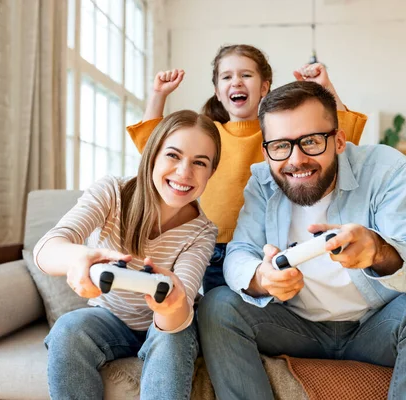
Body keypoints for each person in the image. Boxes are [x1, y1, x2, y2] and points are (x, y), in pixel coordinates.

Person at [197, 81, 406, 400]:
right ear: (267, 147)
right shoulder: (263, 181)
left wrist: (377, 251)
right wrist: (261, 277)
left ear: (338, 140)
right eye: (280, 145)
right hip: (294, 327)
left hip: (376, 325)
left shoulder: (385, 169)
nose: (296, 160)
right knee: (217, 305)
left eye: (310, 141)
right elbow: (240, 253)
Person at [128, 44, 367, 293]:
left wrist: (325, 89)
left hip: (264, 246)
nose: (237, 82)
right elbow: (152, 147)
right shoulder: (209, 134)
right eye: (227, 77)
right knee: (216, 309)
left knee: (263, 308)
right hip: (212, 247)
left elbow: (343, 138)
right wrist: (158, 95)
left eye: (246, 75)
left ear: (264, 87)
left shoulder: (277, 135)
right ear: (217, 92)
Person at [34, 110, 221, 400]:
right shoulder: (112, 192)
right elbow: (47, 248)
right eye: (173, 155)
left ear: (211, 173)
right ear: (152, 156)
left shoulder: (202, 231)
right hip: (110, 318)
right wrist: (79, 258)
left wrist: (171, 306)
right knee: (68, 329)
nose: (185, 172)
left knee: (172, 339)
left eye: (200, 163)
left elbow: (179, 313)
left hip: (167, 326)